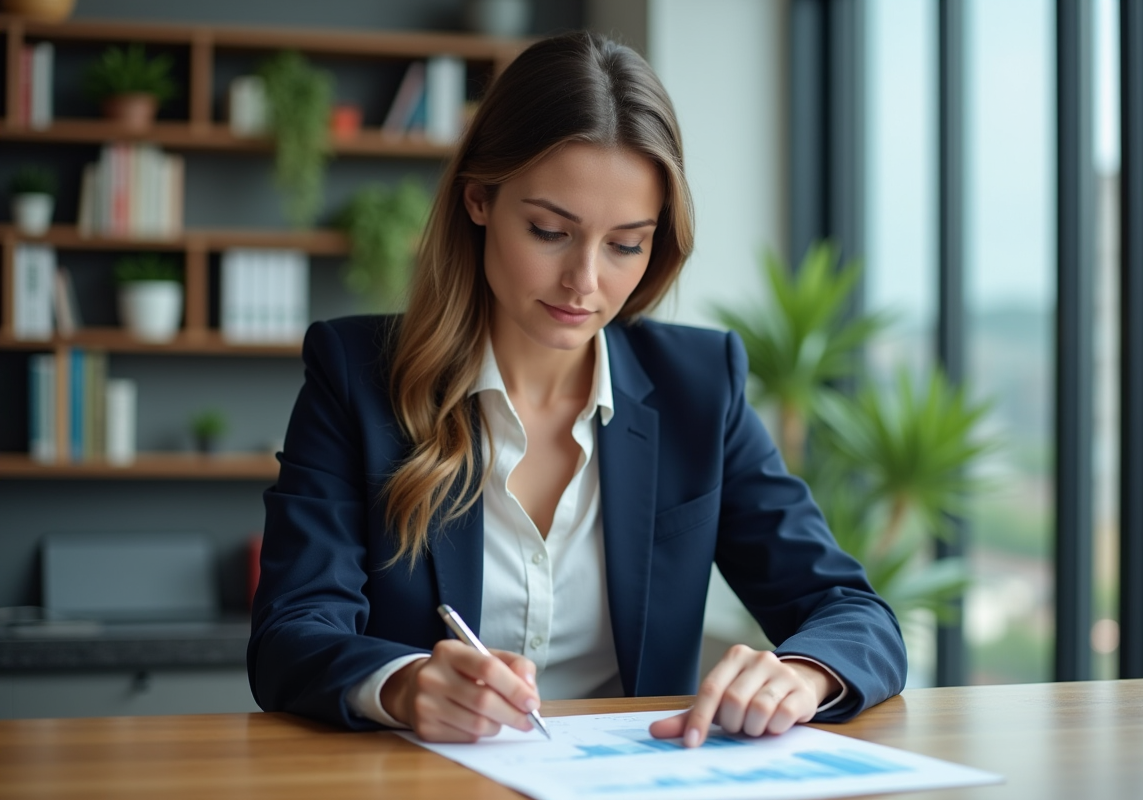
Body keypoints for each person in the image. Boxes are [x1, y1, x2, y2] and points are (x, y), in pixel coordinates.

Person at [248, 30, 906, 746]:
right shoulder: (356, 375)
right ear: (478, 201)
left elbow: (852, 611)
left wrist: (803, 673)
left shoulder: (699, 386)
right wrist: (403, 685)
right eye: (548, 230)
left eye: (626, 243)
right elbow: (291, 633)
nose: (585, 283)